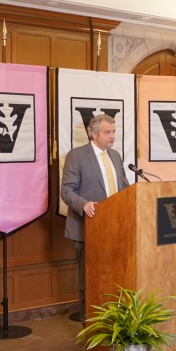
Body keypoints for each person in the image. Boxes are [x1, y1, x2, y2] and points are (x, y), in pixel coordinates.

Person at [60, 113, 129, 319]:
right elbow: (67, 191)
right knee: (89, 280)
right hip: (88, 227)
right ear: (93, 134)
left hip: (115, 227)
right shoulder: (77, 156)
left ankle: (112, 321)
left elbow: (123, 188)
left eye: (114, 132)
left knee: (114, 278)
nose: (112, 136)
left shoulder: (115, 156)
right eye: (107, 132)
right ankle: (89, 325)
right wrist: (84, 204)